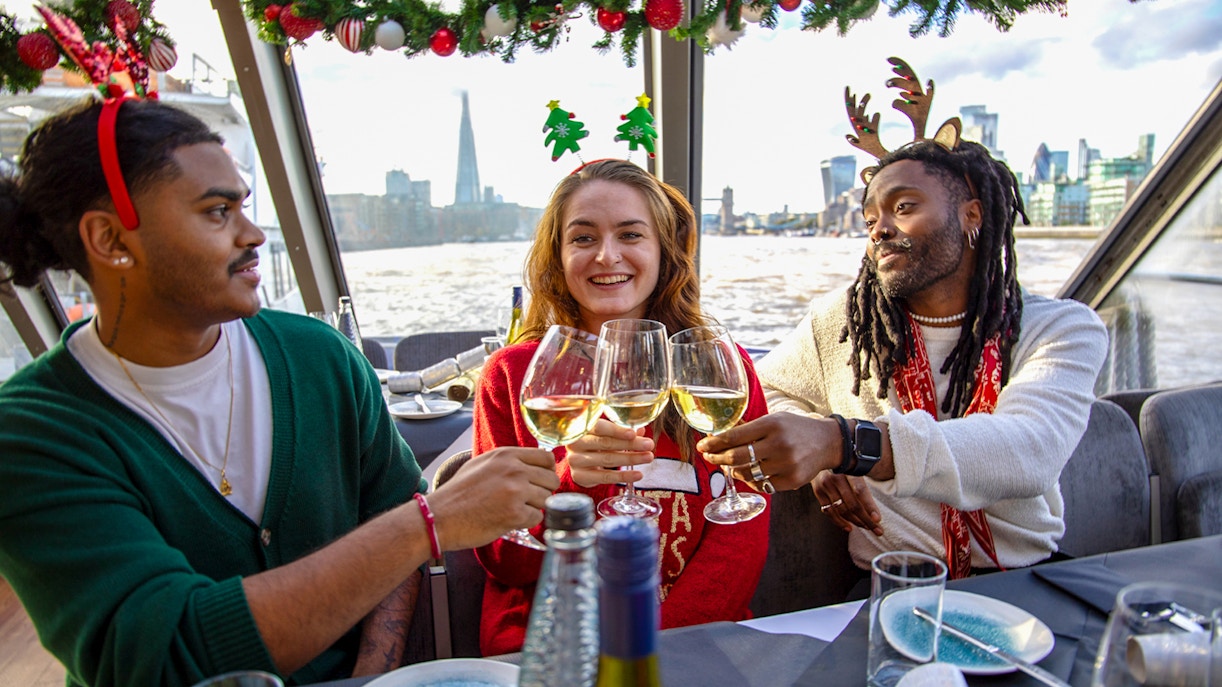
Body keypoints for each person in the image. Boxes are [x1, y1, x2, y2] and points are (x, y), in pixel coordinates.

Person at [0, 98, 560, 687]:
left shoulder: (319, 356)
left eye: (243, 206)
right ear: (111, 238)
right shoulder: (33, 435)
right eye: (217, 212)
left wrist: (369, 677)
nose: (252, 235)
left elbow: (388, 508)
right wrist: (429, 523)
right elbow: (164, 658)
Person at [699, 112, 1108, 580]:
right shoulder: (840, 322)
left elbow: (1030, 449)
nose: (879, 229)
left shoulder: (1061, 328)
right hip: (890, 583)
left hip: (1023, 580)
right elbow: (764, 387)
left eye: (904, 208)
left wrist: (847, 444)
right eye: (871, 218)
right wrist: (819, 455)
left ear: (971, 214)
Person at [471, 159, 770, 656]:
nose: (607, 256)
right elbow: (506, 560)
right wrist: (570, 483)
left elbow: (741, 542)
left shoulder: (720, 369)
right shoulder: (511, 376)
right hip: (551, 648)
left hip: (694, 644)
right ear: (558, 256)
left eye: (630, 235)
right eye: (583, 239)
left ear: (664, 252)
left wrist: (652, 653)